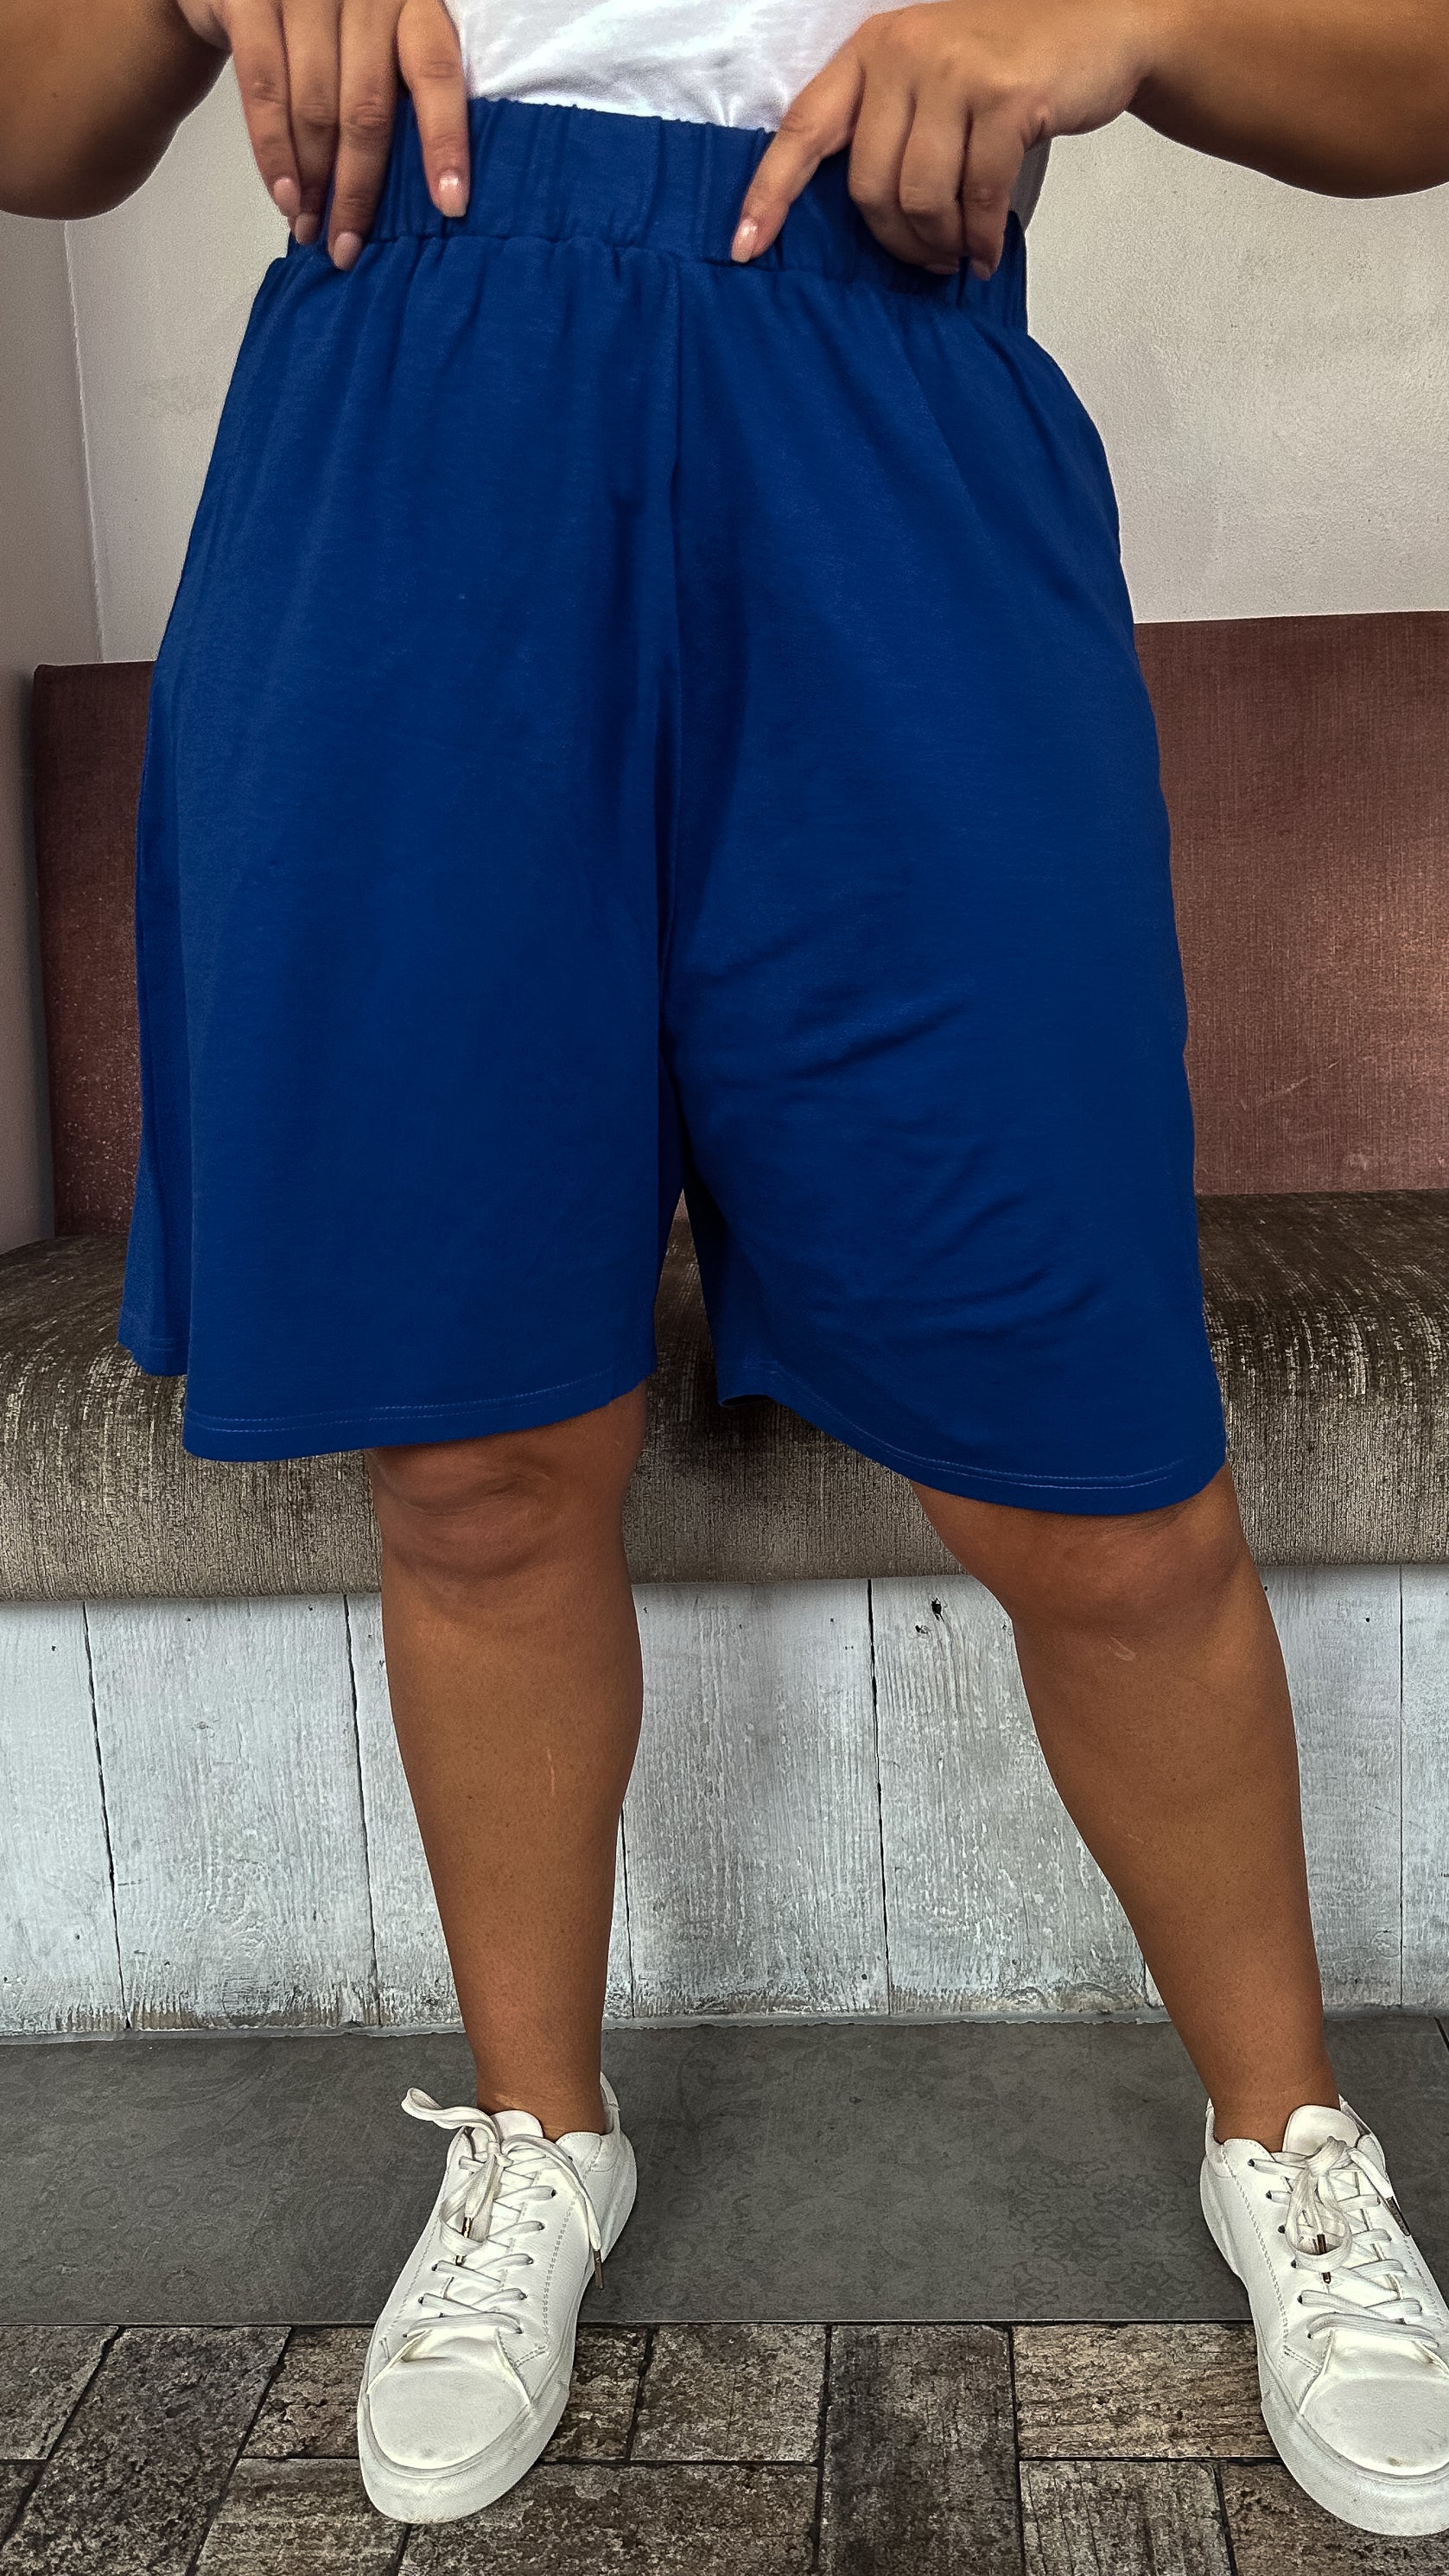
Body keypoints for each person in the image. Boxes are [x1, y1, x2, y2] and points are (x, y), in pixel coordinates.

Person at [4, 0, 1448, 2536]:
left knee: (1098, 1463)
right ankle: (536, 2134)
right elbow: (41, 128)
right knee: (472, 1454)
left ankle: (1288, 2144)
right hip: (406, 434)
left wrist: (1124, 20)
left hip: (882, 423)